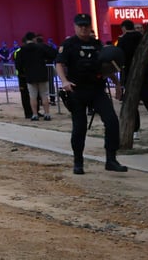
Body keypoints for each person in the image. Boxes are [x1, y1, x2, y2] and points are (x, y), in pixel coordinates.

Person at [55, 13, 128, 174]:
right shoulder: (69, 44)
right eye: (80, 25)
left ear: (90, 26)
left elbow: (106, 66)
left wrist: (117, 84)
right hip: (77, 90)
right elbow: (59, 63)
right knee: (79, 127)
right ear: (75, 27)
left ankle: (111, 159)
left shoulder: (97, 44)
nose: (83, 28)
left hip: (97, 90)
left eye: (86, 25)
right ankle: (78, 161)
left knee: (112, 121)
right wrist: (64, 81)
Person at [116, 20, 148, 141]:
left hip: (131, 77)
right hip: (147, 76)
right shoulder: (145, 39)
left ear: (123, 28)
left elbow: (119, 58)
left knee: (133, 105)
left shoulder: (123, 41)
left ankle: (135, 131)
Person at [13, 32, 55, 121]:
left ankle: (35, 114)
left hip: (30, 76)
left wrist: (23, 71)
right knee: (44, 95)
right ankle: (47, 114)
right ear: (34, 38)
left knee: (32, 96)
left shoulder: (21, 50)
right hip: (42, 74)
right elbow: (52, 54)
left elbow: (18, 65)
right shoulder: (41, 47)